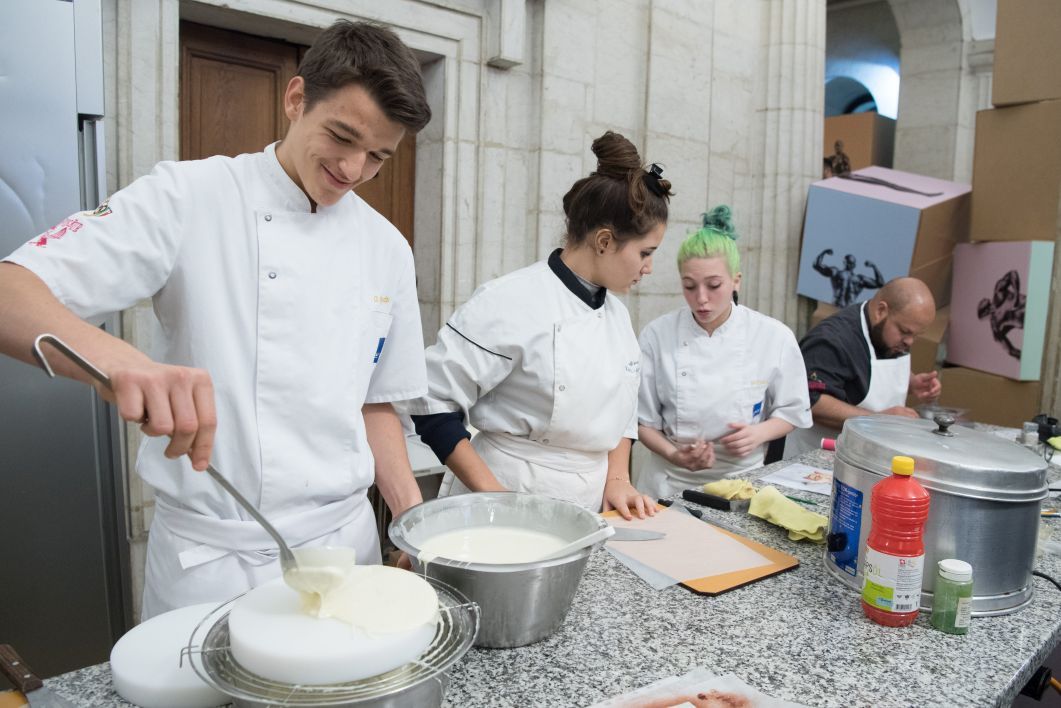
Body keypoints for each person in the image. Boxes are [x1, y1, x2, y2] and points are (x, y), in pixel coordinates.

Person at [0, 20, 432, 618]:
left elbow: (374, 402)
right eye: (342, 136)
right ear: (296, 98)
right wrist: (117, 359)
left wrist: (412, 520)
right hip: (210, 566)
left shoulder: (387, 248)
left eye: (379, 156)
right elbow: (10, 289)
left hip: (343, 553)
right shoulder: (188, 196)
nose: (354, 170)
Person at [403, 132, 670, 519]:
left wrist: (617, 480)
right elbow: (431, 402)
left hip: (590, 506)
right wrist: (496, 497)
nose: (649, 268)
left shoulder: (617, 314)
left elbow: (621, 410)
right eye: (645, 253)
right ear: (605, 241)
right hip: (504, 496)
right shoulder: (510, 300)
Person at [635, 206, 812, 498]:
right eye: (689, 286)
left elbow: (793, 411)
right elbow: (643, 424)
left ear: (736, 280)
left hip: (740, 483)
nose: (701, 299)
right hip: (668, 480)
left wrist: (759, 433)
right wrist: (675, 454)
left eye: (714, 285)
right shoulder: (657, 335)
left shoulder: (772, 336)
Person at [786, 277, 943, 456]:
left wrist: (912, 382)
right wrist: (878, 420)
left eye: (916, 335)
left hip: (863, 455)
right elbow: (811, 402)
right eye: (905, 332)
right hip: (815, 458)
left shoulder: (890, 335)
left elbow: (871, 369)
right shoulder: (831, 341)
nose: (909, 341)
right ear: (881, 311)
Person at [812, 248, 884, 307]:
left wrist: (874, 267)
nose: (848, 264)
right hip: (835, 306)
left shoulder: (859, 279)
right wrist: (824, 252)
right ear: (844, 262)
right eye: (848, 262)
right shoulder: (836, 272)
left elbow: (880, 284)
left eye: (850, 263)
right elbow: (816, 265)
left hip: (846, 310)